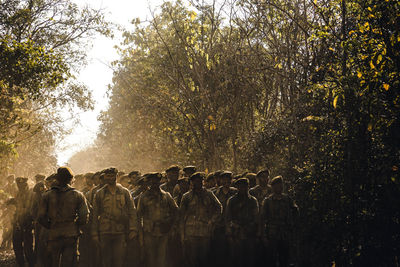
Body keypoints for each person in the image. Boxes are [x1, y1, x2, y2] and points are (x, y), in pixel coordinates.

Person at [37, 167, 89, 267]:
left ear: (57, 179)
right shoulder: (78, 195)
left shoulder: (47, 195)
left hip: (53, 234)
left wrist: (51, 226)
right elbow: (84, 217)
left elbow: (40, 217)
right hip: (71, 234)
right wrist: (74, 225)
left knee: (53, 261)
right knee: (69, 262)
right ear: (71, 179)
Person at [91, 167, 139, 267]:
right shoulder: (99, 193)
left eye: (112, 176)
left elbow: (132, 211)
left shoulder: (125, 192)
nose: (109, 178)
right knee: (106, 261)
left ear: (116, 176)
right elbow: (94, 215)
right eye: (107, 176)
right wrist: (94, 233)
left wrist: (133, 229)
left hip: (120, 231)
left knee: (119, 260)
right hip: (104, 231)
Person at [180, 172, 222, 267]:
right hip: (191, 232)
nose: (197, 183)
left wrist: (212, 220)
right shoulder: (186, 196)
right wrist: (182, 235)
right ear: (191, 182)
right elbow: (181, 216)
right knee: (192, 259)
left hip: (205, 231)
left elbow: (219, 207)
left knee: (204, 258)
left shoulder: (209, 194)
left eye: (199, 181)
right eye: (195, 181)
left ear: (202, 182)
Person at [137, 172, 179, 267]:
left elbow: (176, 211)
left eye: (156, 181)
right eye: (152, 181)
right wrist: (140, 234)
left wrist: (171, 225)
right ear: (149, 182)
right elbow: (138, 216)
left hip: (163, 232)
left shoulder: (166, 195)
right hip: (149, 231)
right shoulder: (143, 197)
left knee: (161, 258)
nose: (154, 183)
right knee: (151, 258)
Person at [260, 176, 298, 267]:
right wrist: (264, 236)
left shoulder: (288, 199)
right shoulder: (267, 201)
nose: (280, 187)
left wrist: (292, 225)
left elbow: (296, 212)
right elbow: (262, 219)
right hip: (272, 234)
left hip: (285, 234)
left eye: (281, 185)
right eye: (277, 185)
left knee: (284, 258)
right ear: (273, 187)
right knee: (271, 259)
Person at [225, 178, 259, 267]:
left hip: (250, 233)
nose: (243, 188)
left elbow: (256, 218)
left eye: (245, 186)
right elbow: (228, 218)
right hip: (236, 234)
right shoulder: (232, 200)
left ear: (248, 187)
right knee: (236, 258)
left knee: (250, 258)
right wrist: (229, 233)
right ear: (237, 187)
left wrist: (254, 230)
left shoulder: (253, 200)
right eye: (240, 186)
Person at [213, 171, 237, 267]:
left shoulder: (236, 192)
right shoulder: (215, 193)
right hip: (219, 227)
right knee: (220, 253)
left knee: (233, 254)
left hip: (233, 227)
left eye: (228, 179)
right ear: (221, 180)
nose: (226, 181)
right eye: (224, 179)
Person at [12, 177, 35, 267]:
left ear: (26, 184)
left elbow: (32, 209)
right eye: (19, 185)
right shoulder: (18, 194)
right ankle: (21, 263)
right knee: (17, 246)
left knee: (28, 248)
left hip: (27, 223)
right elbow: (17, 208)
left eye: (23, 185)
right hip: (18, 223)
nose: (21, 187)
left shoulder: (31, 194)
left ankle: (31, 264)